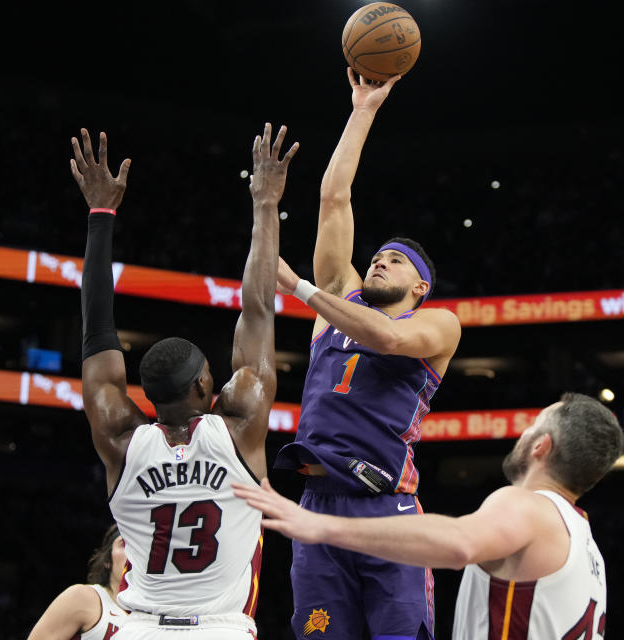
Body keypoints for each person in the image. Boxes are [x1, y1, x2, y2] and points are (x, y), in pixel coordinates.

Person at [70, 123, 297, 639]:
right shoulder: (238, 428)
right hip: (219, 629)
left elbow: (96, 332)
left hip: (138, 629)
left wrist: (100, 217)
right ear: (202, 389)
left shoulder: (121, 440)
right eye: (212, 377)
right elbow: (258, 310)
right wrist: (266, 202)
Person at [271, 68, 462, 639]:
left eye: (395, 260)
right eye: (376, 255)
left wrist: (301, 290)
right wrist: (363, 110)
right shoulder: (340, 299)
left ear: (420, 285)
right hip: (317, 502)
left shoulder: (436, 324)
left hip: (388, 510)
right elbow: (334, 200)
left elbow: (389, 340)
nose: (378, 260)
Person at [237, 393, 624, 639]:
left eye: (532, 427)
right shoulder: (587, 546)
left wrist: (322, 525)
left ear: (541, 446)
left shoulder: (528, 507)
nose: (522, 434)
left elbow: (459, 543)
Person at [28, 524, 129, 639]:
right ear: (107, 560)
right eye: (124, 544)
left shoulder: (152, 619)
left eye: (140, 548)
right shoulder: (83, 598)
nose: (134, 554)